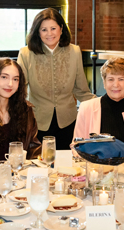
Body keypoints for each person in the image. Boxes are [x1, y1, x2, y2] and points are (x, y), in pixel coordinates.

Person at [17, 8, 95, 150]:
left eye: (53, 28)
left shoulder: (74, 51)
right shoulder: (26, 53)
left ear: (61, 28)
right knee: (40, 166)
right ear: (37, 32)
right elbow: (19, 90)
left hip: (68, 122)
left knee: (67, 167)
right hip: (37, 123)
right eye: (44, 29)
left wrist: (103, 105)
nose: (49, 34)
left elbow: (81, 90)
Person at [74, 57, 124, 157]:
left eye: (121, 79)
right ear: (104, 83)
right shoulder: (86, 108)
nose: (116, 84)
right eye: (111, 79)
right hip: (95, 169)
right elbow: (76, 147)